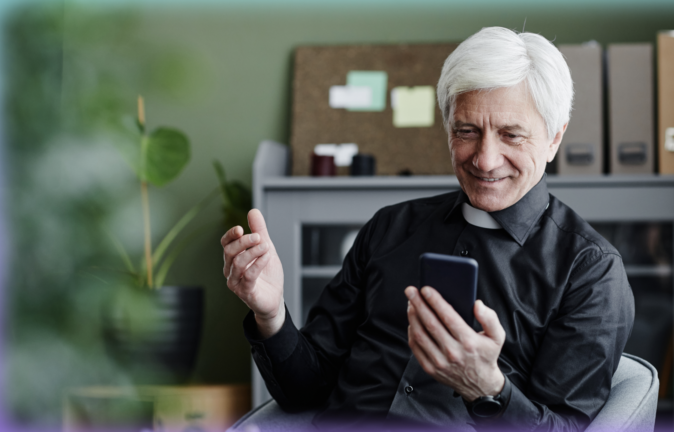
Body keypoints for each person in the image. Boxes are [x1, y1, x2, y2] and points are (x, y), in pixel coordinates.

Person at [221, 27, 634, 431]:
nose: (486, 159)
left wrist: (487, 389)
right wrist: (270, 313)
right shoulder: (389, 228)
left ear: (554, 139)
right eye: (466, 131)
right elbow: (305, 392)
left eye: (511, 135)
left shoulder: (589, 272)